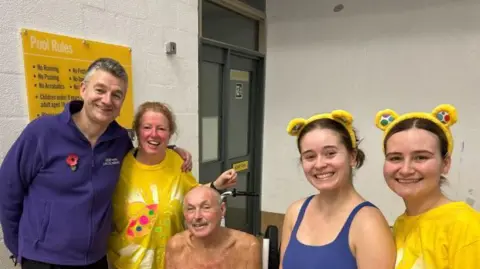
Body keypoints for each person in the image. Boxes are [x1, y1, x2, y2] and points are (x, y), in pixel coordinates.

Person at [0, 58, 192, 269]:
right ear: (83, 89)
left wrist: (173, 152)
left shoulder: (119, 141)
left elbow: (142, 156)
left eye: (116, 95)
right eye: (100, 90)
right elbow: (7, 190)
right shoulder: (43, 132)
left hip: (96, 260)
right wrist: (18, 247)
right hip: (44, 260)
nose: (107, 100)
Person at [107, 101, 240, 269]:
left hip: (173, 262)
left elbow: (195, 195)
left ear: (169, 134)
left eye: (161, 129)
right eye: (147, 127)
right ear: (137, 131)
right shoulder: (119, 166)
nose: (153, 134)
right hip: (128, 264)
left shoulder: (178, 163)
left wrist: (216, 185)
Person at [280, 110, 396, 269]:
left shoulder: (368, 223)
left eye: (330, 153)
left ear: (352, 157)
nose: (319, 164)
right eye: (310, 156)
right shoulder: (295, 212)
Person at [375, 104, 480, 268]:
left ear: (445, 164)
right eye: (395, 158)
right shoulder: (401, 224)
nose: (406, 169)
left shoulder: (466, 226)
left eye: (421, 157)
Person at [164, 186, 261, 269]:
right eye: (190, 209)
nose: (197, 216)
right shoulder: (176, 246)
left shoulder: (247, 246)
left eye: (206, 207)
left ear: (222, 210)